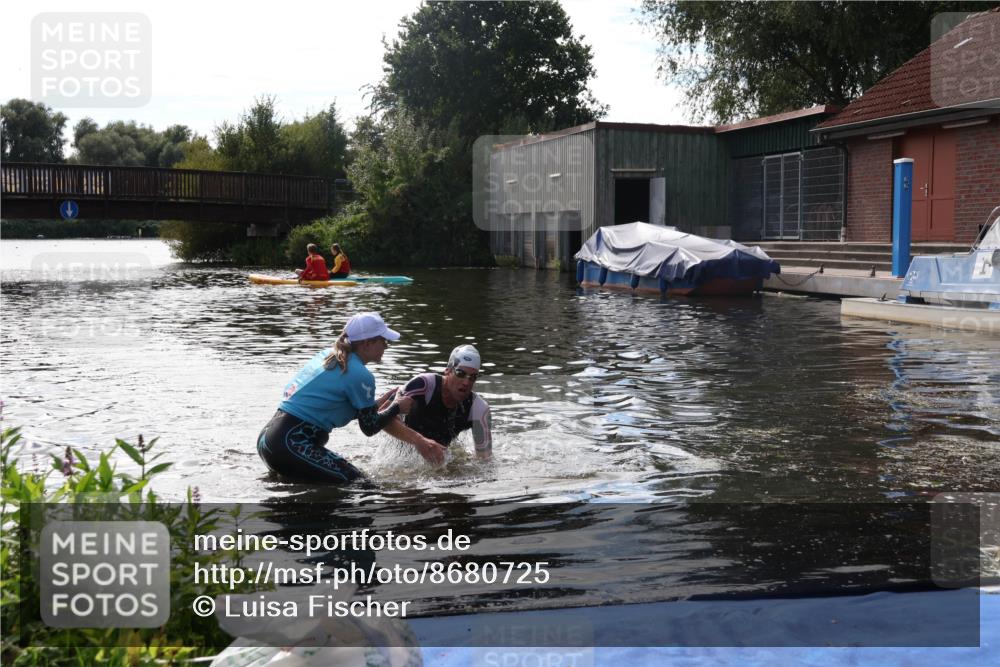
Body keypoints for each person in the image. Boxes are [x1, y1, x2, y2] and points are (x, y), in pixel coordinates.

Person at [257, 312, 415, 483]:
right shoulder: (361, 374)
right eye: (383, 340)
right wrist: (398, 407)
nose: (386, 346)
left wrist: (378, 404)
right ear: (367, 343)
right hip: (291, 444)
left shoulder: (330, 355)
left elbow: (328, 406)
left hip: (270, 439)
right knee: (360, 484)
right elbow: (369, 427)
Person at [380, 345, 492, 461]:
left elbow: (485, 461)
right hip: (399, 458)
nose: (466, 382)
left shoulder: (479, 409)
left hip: (437, 461)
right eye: (460, 373)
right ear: (448, 370)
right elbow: (381, 418)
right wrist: (419, 441)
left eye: (473, 377)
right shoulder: (423, 385)